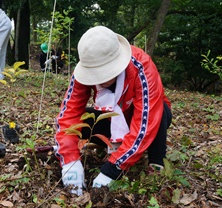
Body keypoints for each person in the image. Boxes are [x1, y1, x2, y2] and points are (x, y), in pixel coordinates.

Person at [54, 26, 172, 196]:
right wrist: (69, 161)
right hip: (113, 118)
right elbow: (69, 113)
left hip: (147, 119)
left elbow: (145, 122)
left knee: (160, 111)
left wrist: (112, 169)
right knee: (84, 119)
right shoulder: (86, 65)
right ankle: (114, 144)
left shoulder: (142, 66)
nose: (99, 79)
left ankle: (156, 161)